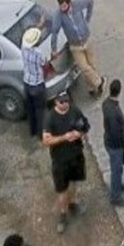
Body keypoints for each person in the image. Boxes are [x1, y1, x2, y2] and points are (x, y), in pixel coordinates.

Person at [42, 92, 90, 234]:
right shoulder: (50, 118)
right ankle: (62, 215)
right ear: (56, 102)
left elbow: (85, 126)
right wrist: (64, 137)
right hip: (60, 161)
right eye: (62, 102)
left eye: (67, 101)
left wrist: (79, 134)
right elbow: (46, 140)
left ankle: (73, 203)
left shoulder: (75, 110)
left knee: (74, 183)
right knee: (62, 190)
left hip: (76, 156)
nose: (65, 104)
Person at [50, 0, 104, 97]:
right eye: (61, 6)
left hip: (86, 40)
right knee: (84, 67)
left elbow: (90, 2)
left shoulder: (77, 4)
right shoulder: (59, 15)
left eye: (64, 6)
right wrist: (54, 49)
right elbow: (54, 32)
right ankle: (99, 82)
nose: (62, 9)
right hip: (75, 46)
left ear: (69, 3)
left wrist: (87, 20)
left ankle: (92, 89)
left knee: (92, 65)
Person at [103, 78, 124, 207]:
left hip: (109, 141)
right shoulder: (114, 110)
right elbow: (115, 131)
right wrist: (123, 144)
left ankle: (118, 185)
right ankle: (115, 196)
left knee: (118, 168)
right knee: (116, 169)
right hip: (115, 145)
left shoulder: (106, 103)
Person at [21, 26, 47, 139]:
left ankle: (32, 131)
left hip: (27, 82)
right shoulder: (39, 53)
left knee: (30, 109)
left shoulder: (23, 48)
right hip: (37, 84)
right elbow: (44, 63)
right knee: (39, 110)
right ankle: (40, 134)